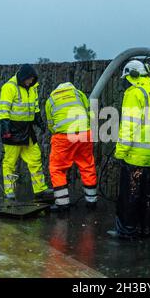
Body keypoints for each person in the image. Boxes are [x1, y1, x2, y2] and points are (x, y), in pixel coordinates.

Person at [108, 60, 150, 239]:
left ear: (132, 75)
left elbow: (129, 126)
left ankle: (127, 231)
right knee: (147, 197)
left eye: (126, 78)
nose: (125, 82)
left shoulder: (134, 93)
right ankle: (145, 230)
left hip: (134, 157)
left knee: (130, 196)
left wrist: (120, 152)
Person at [0, 64, 52, 202]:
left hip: (27, 130)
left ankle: (40, 189)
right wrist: (6, 129)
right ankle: (9, 192)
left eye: (32, 80)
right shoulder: (9, 87)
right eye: (29, 80)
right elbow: (3, 110)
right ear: (23, 78)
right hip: (12, 130)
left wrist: (40, 123)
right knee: (10, 163)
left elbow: (34, 108)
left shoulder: (32, 88)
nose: (30, 82)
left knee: (35, 158)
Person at [45, 82, 97, 212]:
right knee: (87, 165)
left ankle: (62, 205)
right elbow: (87, 110)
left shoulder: (51, 100)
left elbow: (50, 123)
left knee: (57, 169)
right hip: (85, 133)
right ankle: (91, 201)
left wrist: (57, 132)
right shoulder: (78, 94)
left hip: (64, 137)